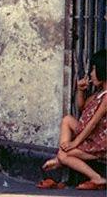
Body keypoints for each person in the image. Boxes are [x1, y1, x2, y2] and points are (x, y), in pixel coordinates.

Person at [38, 50, 106, 191]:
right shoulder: (100, 93)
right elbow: (82, 106)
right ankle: (61, 158)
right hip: (92, 137)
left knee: (64, 155)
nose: (91, 74)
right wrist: (80, 90)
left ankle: (98, 178)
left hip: (100, 143)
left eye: (93, 69)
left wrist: (75, 142)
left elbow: (93, 122)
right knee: (68, 120)